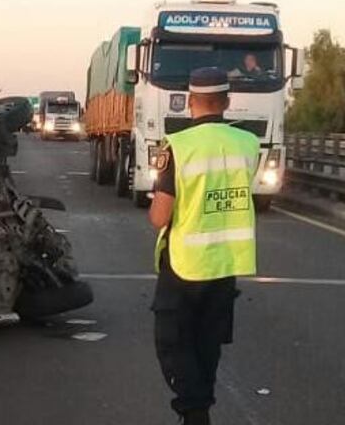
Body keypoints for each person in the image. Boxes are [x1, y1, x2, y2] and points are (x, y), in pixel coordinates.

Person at [148, 67, 260, 425]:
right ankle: (200, 407)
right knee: (207, 343)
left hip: (185, 264)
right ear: (226, 102)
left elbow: (160, 216)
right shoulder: (248, 144)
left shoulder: (179, 146)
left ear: (189, 102)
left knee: (174, 342)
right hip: (226, 263)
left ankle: (195, 414)